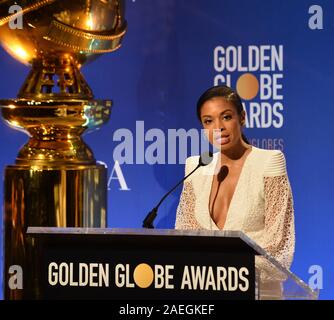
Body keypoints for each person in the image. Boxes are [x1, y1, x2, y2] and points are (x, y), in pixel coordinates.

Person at [175, 85, 295, 272]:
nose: (218, 128)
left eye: (227, 117)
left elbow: (278, 248)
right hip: (206, 289)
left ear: (242, 117)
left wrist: (225, 268)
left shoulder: (269, 162)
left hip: (257, 289)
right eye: (208, 121)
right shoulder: (195, 167)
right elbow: (185, 234)